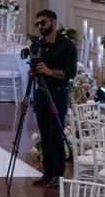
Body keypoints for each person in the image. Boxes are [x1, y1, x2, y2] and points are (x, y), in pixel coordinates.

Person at [28, 9, 77, 187]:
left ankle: (59, 175)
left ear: (53, 22)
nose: (40, 27)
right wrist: (33, 72)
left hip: (58, 93)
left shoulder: (67, 46)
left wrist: (49, 71)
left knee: (55, 133)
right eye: (38, 24)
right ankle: (47, 173)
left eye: (44, 23)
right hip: (41, 92)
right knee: (45, 135)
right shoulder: (39, 45)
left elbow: (70, 73)